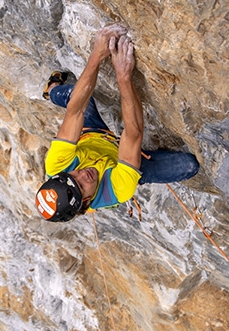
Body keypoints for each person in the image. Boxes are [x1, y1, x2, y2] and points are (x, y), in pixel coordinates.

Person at [35, 24, 199, 222]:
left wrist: (97, 54)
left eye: (73, 176)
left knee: (74, 95)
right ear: (85, 202)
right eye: (81, 186)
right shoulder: (116, 190)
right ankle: (133, 169)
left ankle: (52, 90)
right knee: (189, 165)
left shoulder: (57, 165)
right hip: (119, 163)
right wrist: (123, 76)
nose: (83, 176)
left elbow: (76, 110)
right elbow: (133, 133)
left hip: (93, 134)